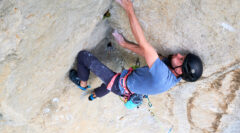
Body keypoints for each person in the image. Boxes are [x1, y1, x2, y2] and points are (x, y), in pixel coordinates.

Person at [69, 0, 203, 106]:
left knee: (84, 57)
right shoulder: (174, 73)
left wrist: (129, 9)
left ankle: (83, 84)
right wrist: (124, 44)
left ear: (180, 70)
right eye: (182, 56)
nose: (178, 55)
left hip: (120, 84)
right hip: (127, 88)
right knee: (108, 85)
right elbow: (147, 53)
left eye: (181, 59)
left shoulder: (163, 75)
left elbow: (144, 44)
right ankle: (93, 96)